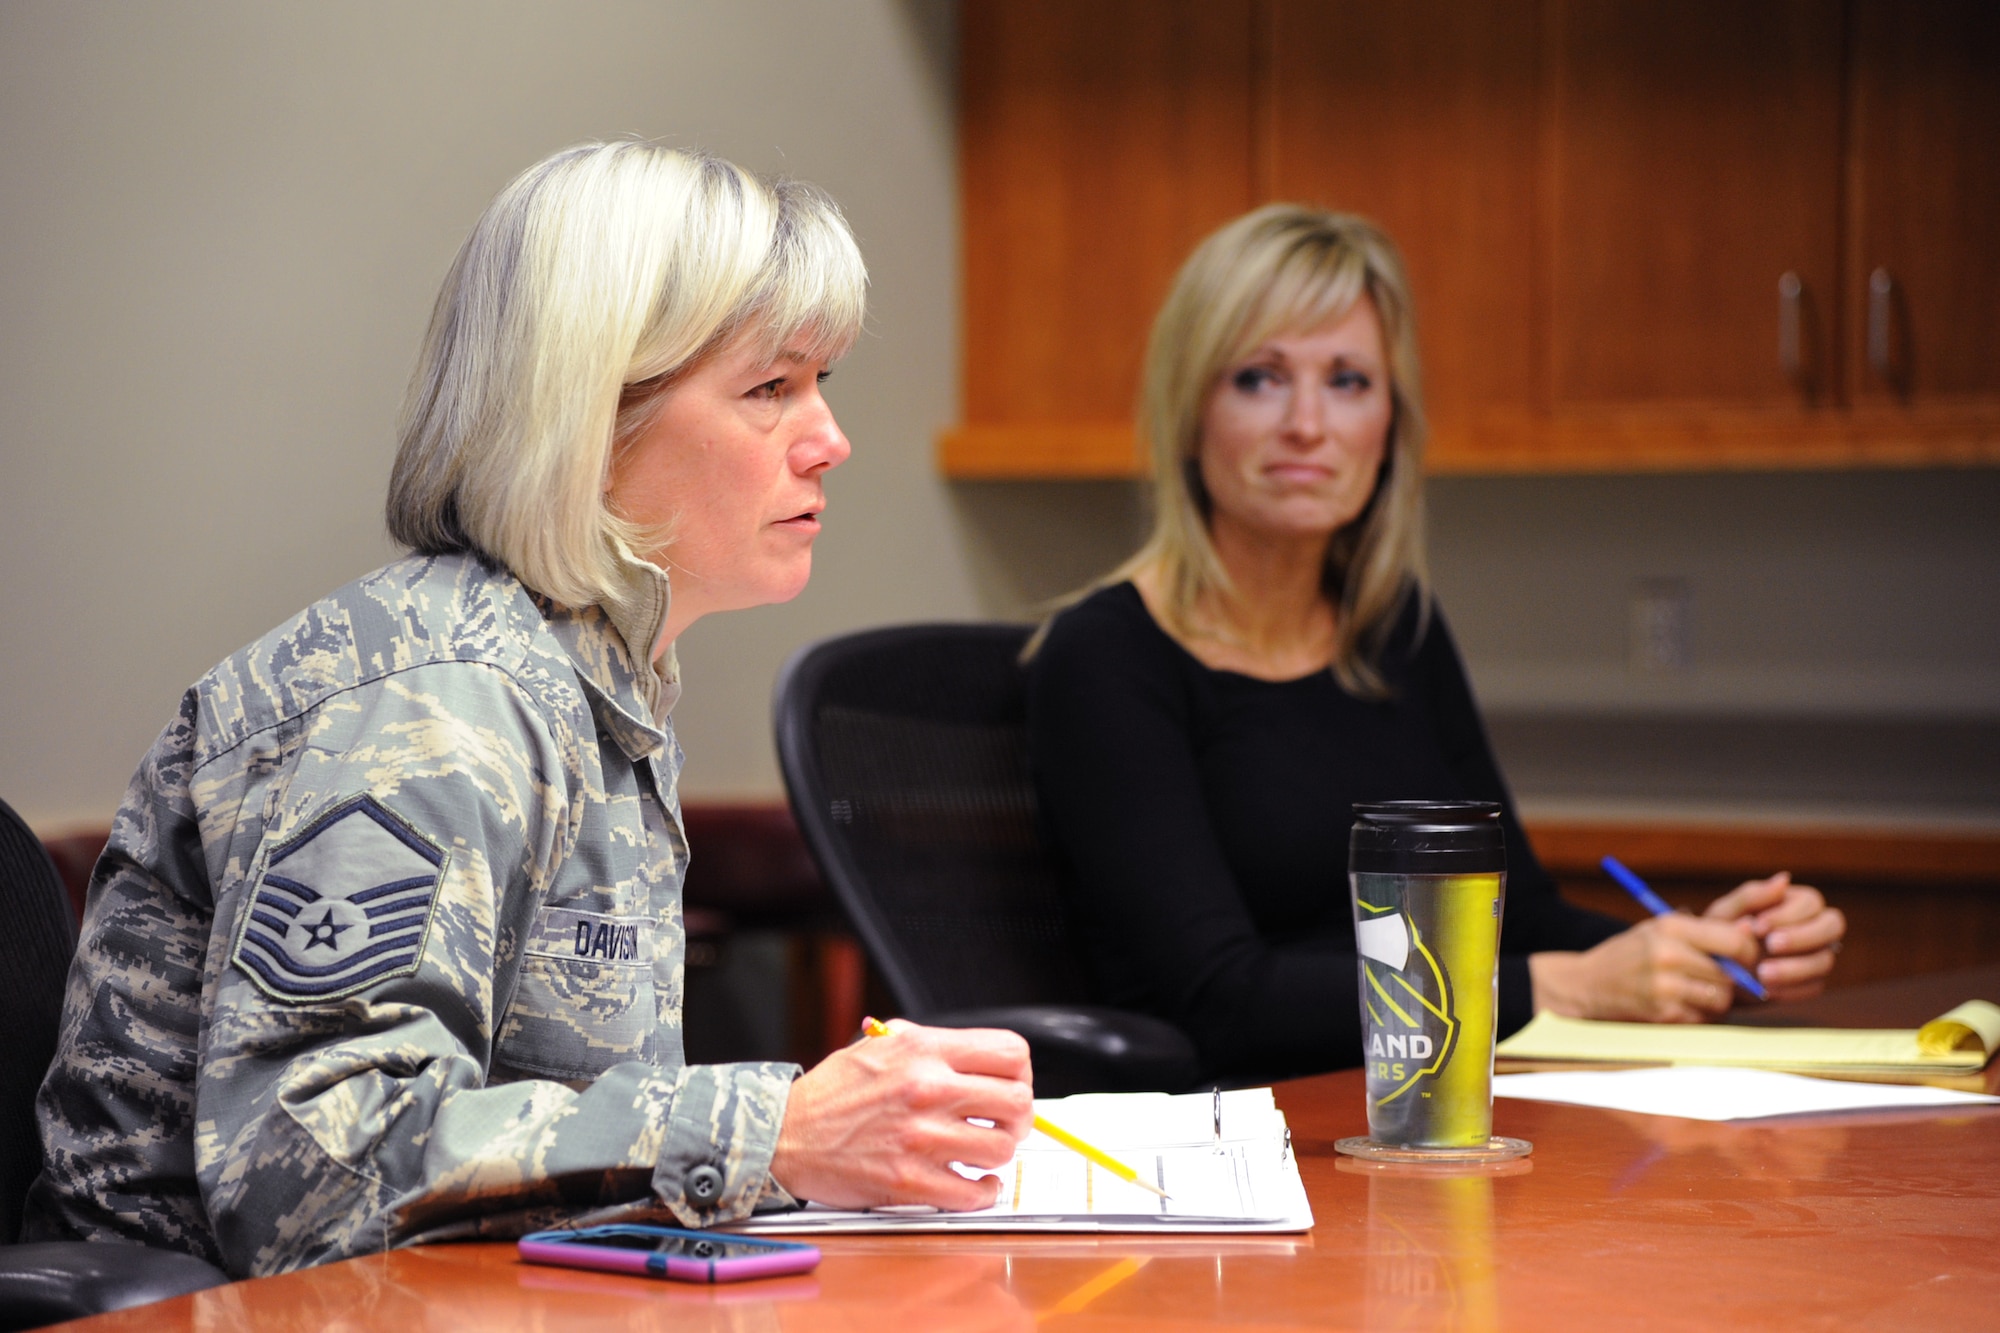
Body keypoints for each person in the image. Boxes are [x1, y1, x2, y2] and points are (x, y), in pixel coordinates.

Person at [25, 142, 1033, 1276]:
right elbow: (309, 1174)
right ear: (586, 418)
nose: (828, 439)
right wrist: (777, 1132)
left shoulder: (593, 678)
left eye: (821, 384)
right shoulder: (439, 700)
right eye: (769, 389)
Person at [1024, 205, 1847, 1084]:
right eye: (1260, 378)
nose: (1308, 424)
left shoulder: (1394, 631)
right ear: (1189, 412)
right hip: (1232, 1146)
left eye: (1347, 380)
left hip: (1422, 1110)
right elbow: (1219, 997)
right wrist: (1555, 989)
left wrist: (1693, 953)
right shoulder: (1105, 658)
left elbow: (1516, 918)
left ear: (1390, 421)